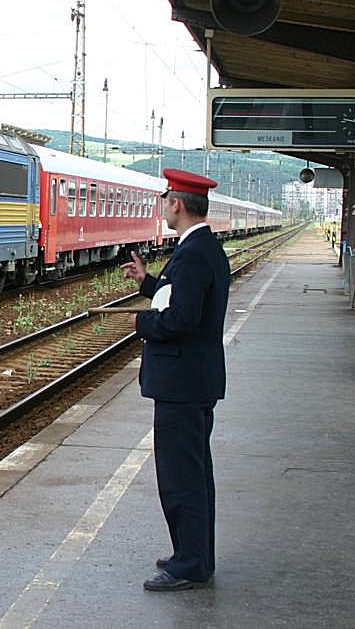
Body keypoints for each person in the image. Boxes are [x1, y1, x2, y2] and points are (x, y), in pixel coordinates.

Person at [121, 168, 231, 592]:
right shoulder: (201, 248)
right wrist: (148, 282)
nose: (164, 207)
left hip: (182, 384)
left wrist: (141, 322)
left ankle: (189, 564)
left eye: (166, 200)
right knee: (194, 473)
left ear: (177, 205)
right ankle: (195, 553)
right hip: (192, 381)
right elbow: (180, 295)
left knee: (182, 476)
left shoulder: (195, 252)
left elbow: (182, 318)